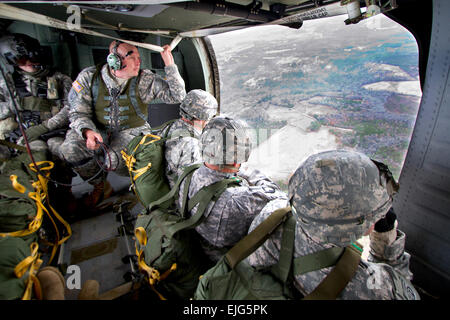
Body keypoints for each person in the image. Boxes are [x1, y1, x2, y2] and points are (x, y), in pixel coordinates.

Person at [246, 149, 419, 300]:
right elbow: (405, 288)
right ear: (358, 227)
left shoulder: (271, 218)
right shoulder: (373, 287)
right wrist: (386, 245)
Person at [60, 40, 186, 207]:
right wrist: (87, 132)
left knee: (115, 160)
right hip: (96, 128)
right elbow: (77, 112)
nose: (139, 62)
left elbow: (177, 96)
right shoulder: (89, 78)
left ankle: (139, 183)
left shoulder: (144, 79)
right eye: (131, 57)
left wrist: (170, 65)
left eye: (139, 57)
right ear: (114, 61)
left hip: (131, 130)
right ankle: (100, 185)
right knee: (69, 150)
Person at [178, 115, 288, 263]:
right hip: (226, 265)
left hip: (198, 248)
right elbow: (277, 195)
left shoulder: (187, 175)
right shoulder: (238, 200)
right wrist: (244, 171)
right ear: (242, 153)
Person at [0, 33, 72, 156]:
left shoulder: (60, 79)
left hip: (55, 131)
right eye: (21, 60)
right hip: (25, 136)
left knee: (72, 152)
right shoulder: (7, 83)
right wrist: (16, 104)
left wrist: (45, 127)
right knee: (37, 157)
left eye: (31, 58)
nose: (28, 63)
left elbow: (72, 108)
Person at [161, 89, 217, 188]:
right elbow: (190, 185)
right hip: (176, 196)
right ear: (204, 116)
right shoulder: (190, 144)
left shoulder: (171, 126)